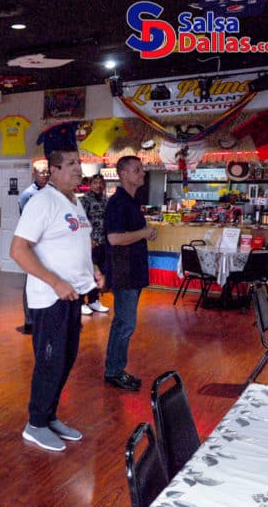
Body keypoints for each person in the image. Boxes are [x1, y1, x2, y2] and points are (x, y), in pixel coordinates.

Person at [10, 149, 104, 452]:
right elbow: (18, 250)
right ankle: (35, 424)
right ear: (53, 170)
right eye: (73, 164)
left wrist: (95, 270)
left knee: (66, 359)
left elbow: (77, 245)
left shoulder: (75, 203)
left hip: (72, 296)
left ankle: (49, 416)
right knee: (49, 362)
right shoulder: (42, 202)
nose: (79, 169)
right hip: (50, 298)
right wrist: (55, 282)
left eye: (80, 163)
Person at [103, 156, 156, 392]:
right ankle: (114, 371)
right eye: (137, 170)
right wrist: (144, 233)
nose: (141, 174)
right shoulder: (118, 203)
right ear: (123, 173)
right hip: (124, 272)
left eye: (142, 169)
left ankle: (114, 369)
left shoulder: (131, 201)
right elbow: (114, 238)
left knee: (123, 324)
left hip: (132, 270)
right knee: (125, 324)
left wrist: (144, 232)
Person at [17, 159, 51, 334]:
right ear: (34, 174)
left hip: (50, 245)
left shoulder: (54, 192)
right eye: (41, 172)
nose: (45, 175)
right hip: (33, 244)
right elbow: (26, 222)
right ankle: (29, 319)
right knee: (31, 279)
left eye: (47, 172)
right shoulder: (26, 195)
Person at [80, 174, 110, 316]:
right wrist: (87, 239)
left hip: (104, 242)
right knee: (86, 272)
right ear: (90, 184)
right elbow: (80, 222)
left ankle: (93, 300)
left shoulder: (106, 200)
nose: (98, 185)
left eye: (100, 183)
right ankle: (80, 302)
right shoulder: (85, 200)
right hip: (89, 243)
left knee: (99, 273)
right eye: (95, 183)